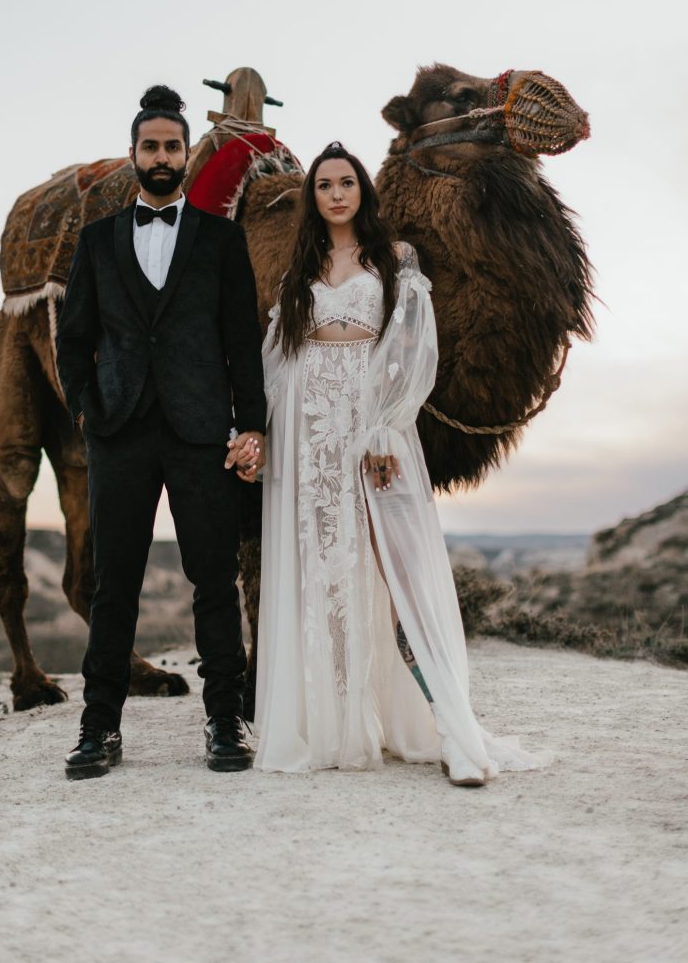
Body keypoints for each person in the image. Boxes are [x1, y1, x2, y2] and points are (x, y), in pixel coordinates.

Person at [245, 141, 545, 784]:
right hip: (309, 427)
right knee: (323, 568)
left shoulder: (397, 258)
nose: (335, 193)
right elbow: (277, 356)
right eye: (323, 184)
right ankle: (335, 723)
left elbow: (415, 344)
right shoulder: (299, 270)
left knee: (397, 566)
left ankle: (450, 728)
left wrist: (385, 425)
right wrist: (265, 432)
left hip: (375, 425)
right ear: (312, 196)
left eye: (345, 182)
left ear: (362, 190)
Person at [56, 85, 267, 780]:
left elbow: (242, 341)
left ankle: (224, 724)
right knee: (114, 584)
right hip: (118, 434)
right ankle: (98, 730)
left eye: (172, 146)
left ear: (186, 154)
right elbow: (73, 338)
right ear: (133, 155)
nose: (161, 156)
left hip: (200, 431)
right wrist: (88, 410)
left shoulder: (221, 241)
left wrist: (251, 424)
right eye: (150, 146)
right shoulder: (96, 243)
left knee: (212, 579)